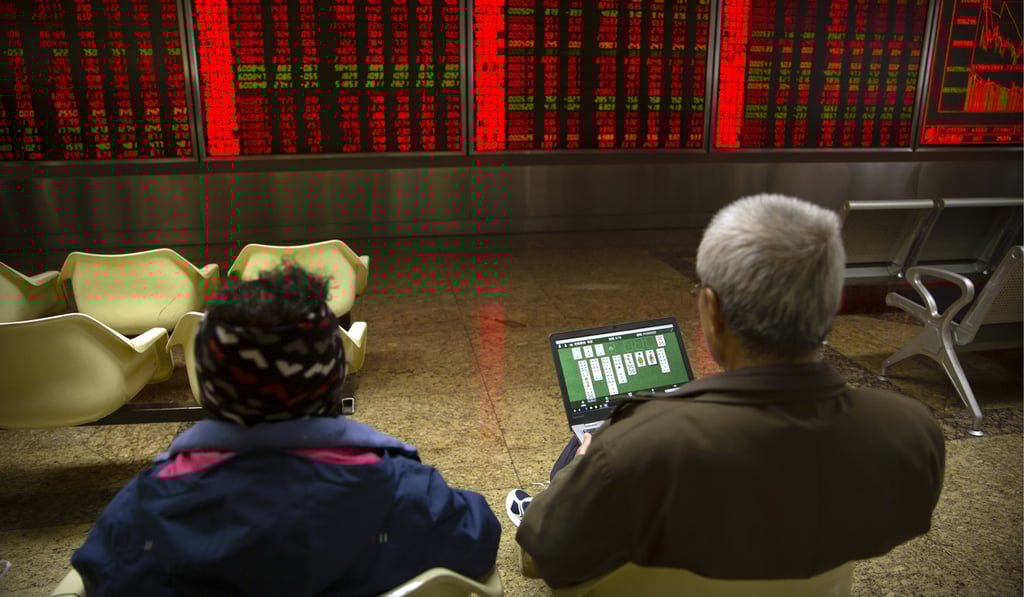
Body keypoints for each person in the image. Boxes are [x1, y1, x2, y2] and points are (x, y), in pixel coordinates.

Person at [508, 193, 946, 588]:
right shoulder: (912, 432)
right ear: (831, 305)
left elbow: (544, 554)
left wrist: (580, 468)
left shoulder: (627, 451)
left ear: (711, 309)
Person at [72, 264, 500, 596]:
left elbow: (100, 576)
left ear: (213, 387)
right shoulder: (405, 491)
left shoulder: (144, 508)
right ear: (331, 380)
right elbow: (477, 538)